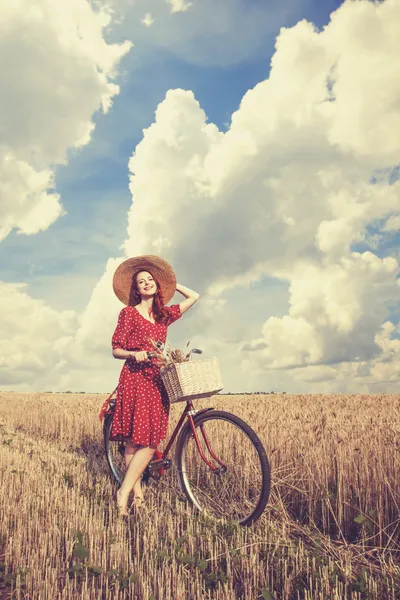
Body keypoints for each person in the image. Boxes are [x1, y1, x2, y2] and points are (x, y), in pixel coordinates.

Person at [110, 255, 199, 517]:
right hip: (135, 378)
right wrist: (132, 353)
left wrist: (171, 283)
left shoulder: (163, 316)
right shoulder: (128, 314)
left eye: (150, 280)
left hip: (157, 381)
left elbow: (193, 296)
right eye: (141, 282)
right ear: (136, 290)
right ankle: (133, 493)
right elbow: (116, 349)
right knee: (134, 442)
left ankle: (124, 490)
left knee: (150, 440)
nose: (146, 284)